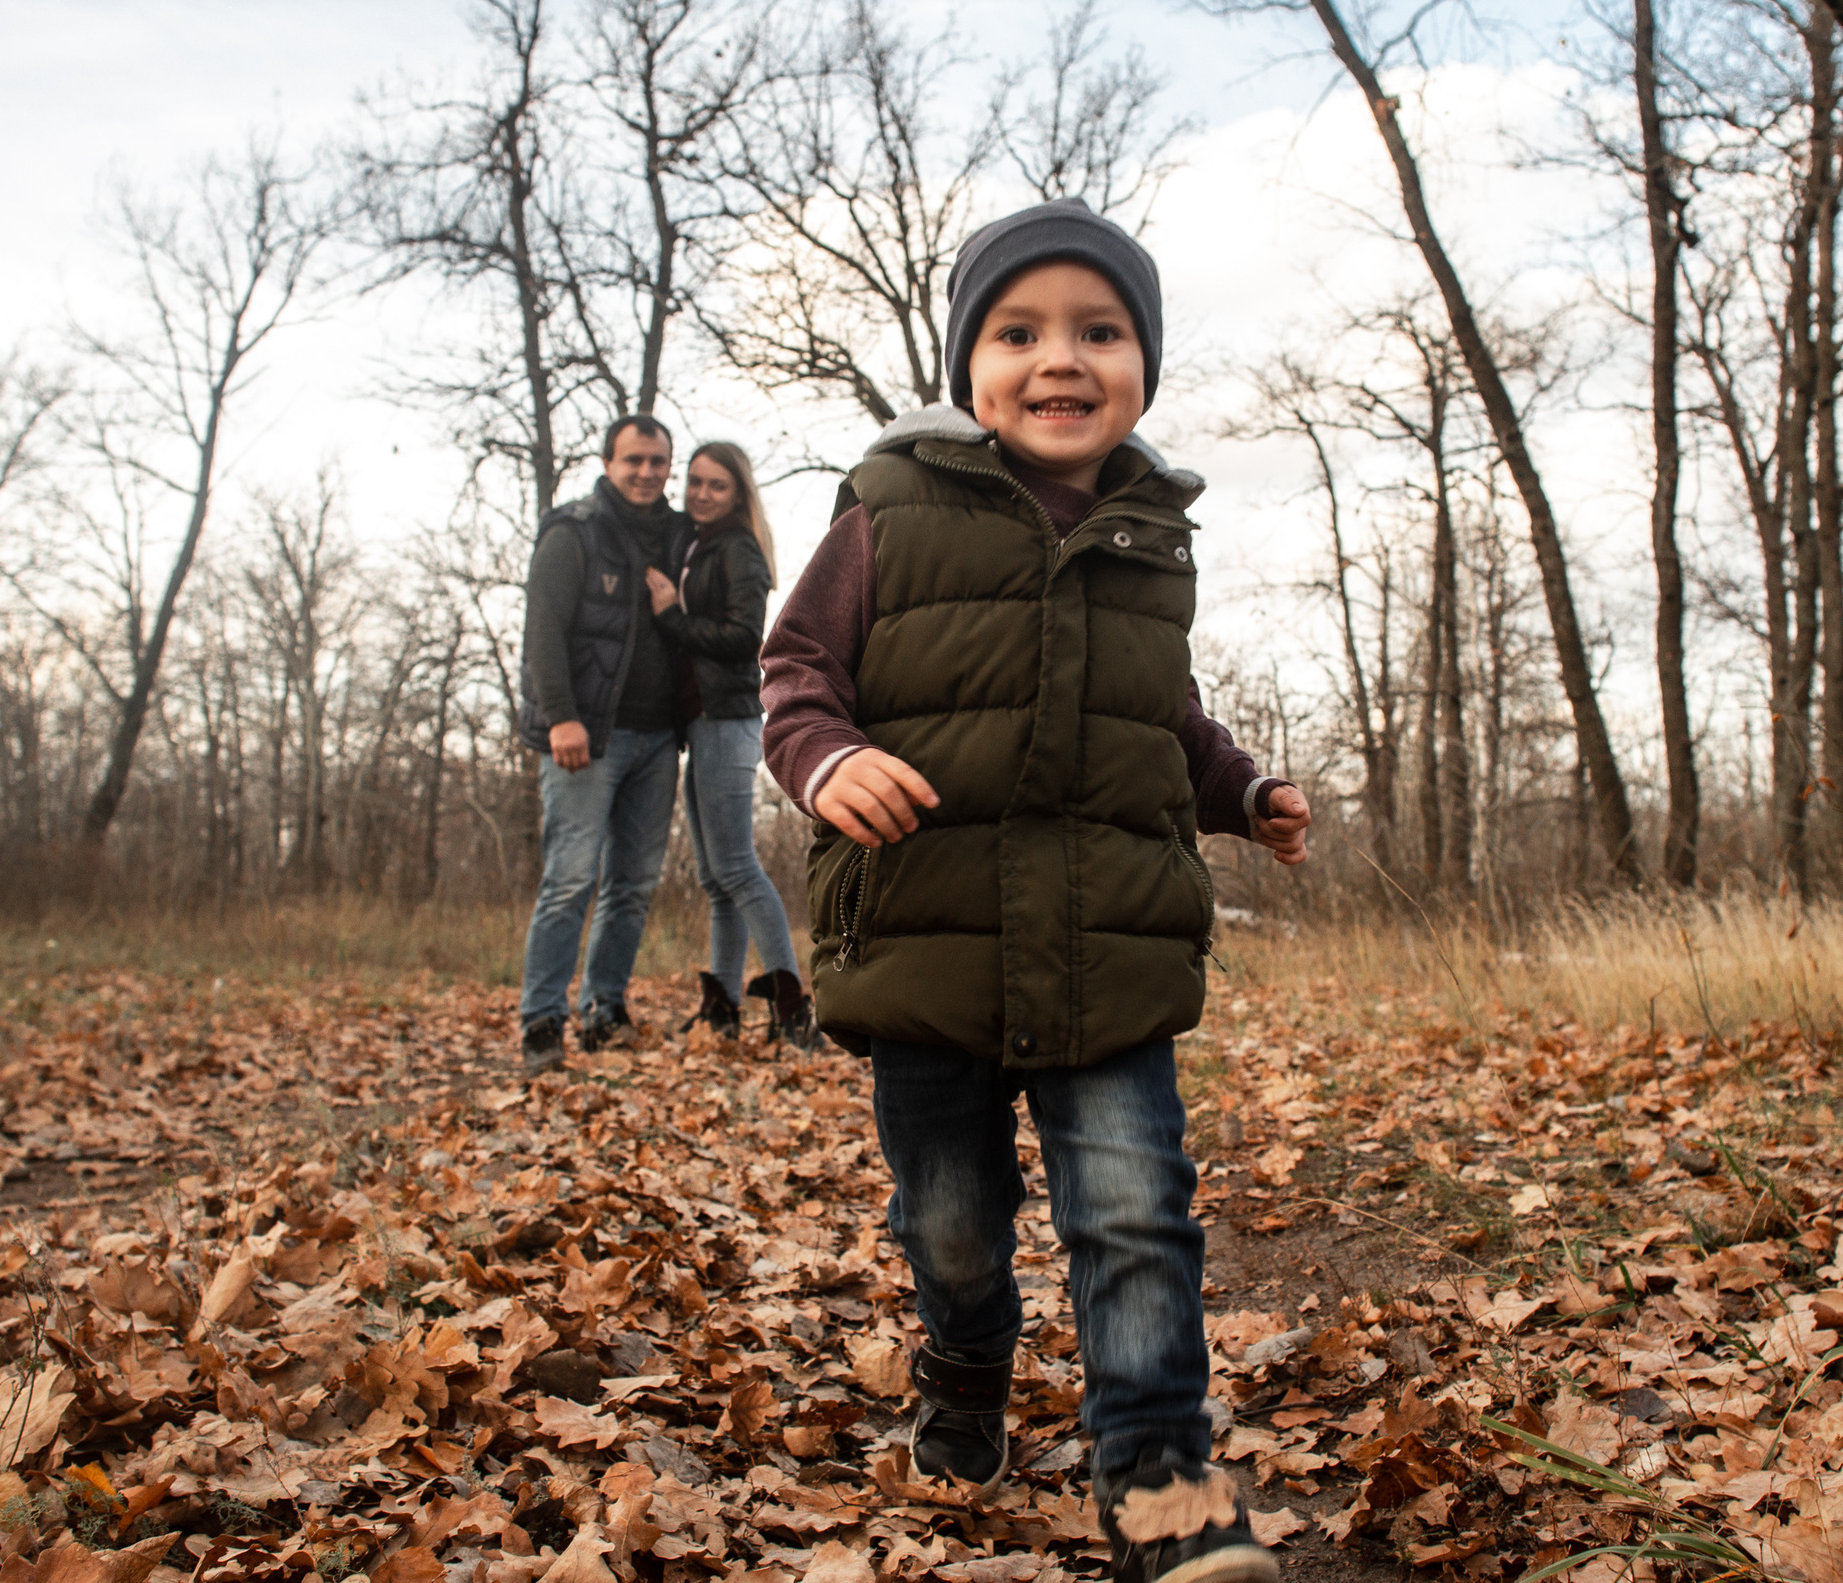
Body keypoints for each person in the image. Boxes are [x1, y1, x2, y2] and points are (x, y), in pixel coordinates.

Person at [760, 199, 1313, 1583]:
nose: (1060, 358)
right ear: (968, 365)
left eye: (1099, 330)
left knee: (1135, 1215)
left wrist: (1239, 791)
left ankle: (1160, 1471)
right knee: (951, 1225)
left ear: (1142, 363)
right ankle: (964, 1379)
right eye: (1020, 331)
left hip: (1106, 953)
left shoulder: (1151, 533)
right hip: (927, 946)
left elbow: (1162, 715)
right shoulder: (887, 508)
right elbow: (794, 676)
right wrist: (829, 761)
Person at [516, 415, 692, 1071]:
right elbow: (543, 629)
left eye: (658, 461)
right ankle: (541, 1021)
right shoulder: (575, 529)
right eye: (634, 460)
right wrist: (562, 716)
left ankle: (604, 1008)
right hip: (587, 739)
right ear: (608, 462)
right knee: (569, 880)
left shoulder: (678, 536)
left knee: (633, 884)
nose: (647, 472)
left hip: (658, 741)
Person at [646, 441, 816, 1046]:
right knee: (716, 879)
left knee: (738, 868)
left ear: (738, 494)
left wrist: (671, 616)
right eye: (695, 482)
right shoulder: (697, 543)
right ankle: (721, 1006)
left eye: (717, 485)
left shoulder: (739, 549)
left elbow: (747, 638)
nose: (701, 494)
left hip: (731, 717)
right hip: (702, 720)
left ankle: (793, 1007)